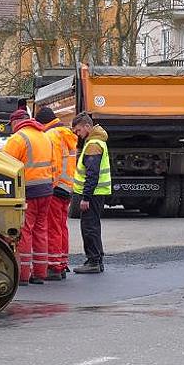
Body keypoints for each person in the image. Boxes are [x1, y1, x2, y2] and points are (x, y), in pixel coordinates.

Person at [3, 109, 54, 285]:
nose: (11, 129)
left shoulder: (18, 138)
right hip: (46, 190)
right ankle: (40, 273)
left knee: (25, 230)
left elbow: (4, 166)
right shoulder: (45, 136)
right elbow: (53, 164)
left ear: (17, 122)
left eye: (12, 125)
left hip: (28, 191)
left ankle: (23, 275)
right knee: (40, 230)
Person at [35, 107, 77, 281]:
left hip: (56, 187)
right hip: (67, 186)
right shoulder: (66, 134)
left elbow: (55, 164)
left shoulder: (51, 136)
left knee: (52, 228)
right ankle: (62, 261)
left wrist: (50, 185)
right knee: (61, 226)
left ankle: (53, 266)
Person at [71, 113, 111, 274]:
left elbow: (92, 173)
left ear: (87, 127)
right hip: (97, 192)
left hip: (92, 194)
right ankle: (96, 258)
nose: (77, 134)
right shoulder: (96, 141)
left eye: (78, 130)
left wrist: (86, 197)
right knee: (93, 225)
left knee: (89, 227)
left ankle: (93, 261)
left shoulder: (93, 145)